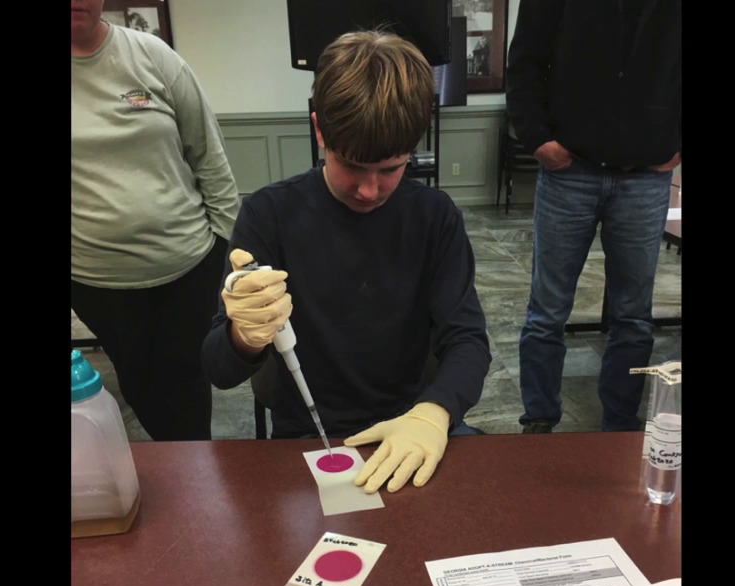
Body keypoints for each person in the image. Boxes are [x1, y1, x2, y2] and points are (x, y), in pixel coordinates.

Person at [202, 30, 491, 494]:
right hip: (310, 436)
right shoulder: (270, 214)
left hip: (410, 427)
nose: (369, 190)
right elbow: (219, 370)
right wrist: (244, 335)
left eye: (392, 168)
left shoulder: (434, 217)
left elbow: (469, 341)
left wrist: (434, 414)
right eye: (352, 166)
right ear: (320, 131)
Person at [506, 0, 681, 433]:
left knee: (633, 317)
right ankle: (539, 422)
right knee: (546, 313)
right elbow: (525, 60)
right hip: (570, 171)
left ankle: (620, 428)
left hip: (646, 175)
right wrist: (536, 138)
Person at [72, 0, 239, 440]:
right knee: (140, 384)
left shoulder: (153, 55)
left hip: (187, 266)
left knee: (187, 388)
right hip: (96, 280)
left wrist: (225, 246)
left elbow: (209, 155)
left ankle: (196, 484)